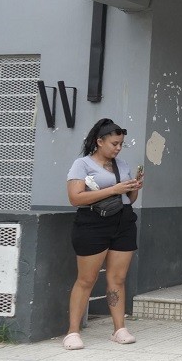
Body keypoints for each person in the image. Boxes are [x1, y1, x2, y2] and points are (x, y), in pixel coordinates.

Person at [63, 118, 144, 349]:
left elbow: (128, 199)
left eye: (121, 144)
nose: (118, 148)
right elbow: (75, 198)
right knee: (86, 279)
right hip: (92, 223)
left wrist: (133, 189)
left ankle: (119, 328)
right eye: (114, 144)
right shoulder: (82, 164)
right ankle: (73, 331)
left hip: (123, 221)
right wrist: (114, 189)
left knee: (117, 278)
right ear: (99, 141)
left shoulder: (122, 165)